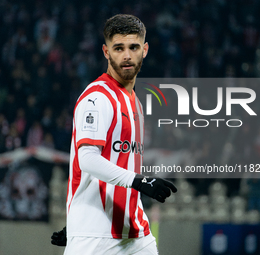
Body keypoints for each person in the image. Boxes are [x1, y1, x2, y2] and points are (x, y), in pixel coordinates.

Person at [51, 14, 177, 255]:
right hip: (96, 236)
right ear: (106, 52)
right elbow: (87, 159)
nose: (127, 56)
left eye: (133, 47)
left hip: (135, 233)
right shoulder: (98, 98)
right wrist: (140, 181)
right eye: (118, 48)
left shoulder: (136, 104)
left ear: (145, 49)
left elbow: (118, 161)